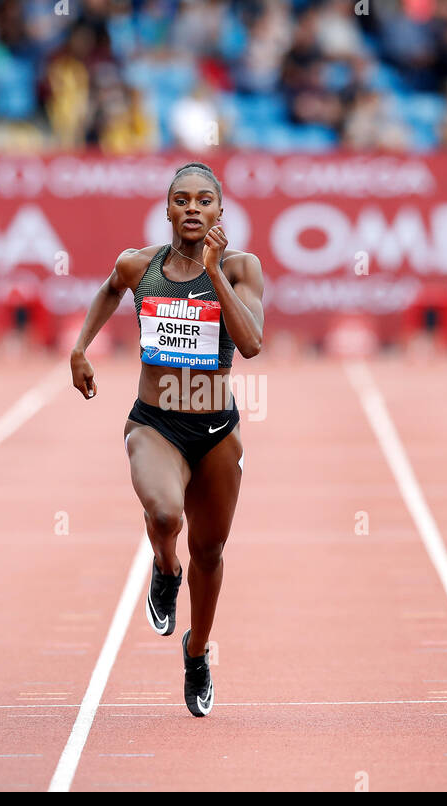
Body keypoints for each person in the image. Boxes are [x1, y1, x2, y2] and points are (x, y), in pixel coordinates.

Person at [70, 161, 265, 716]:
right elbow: (109, 291)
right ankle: (164, 567)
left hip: (215, 429)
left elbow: (250, 344)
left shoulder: (242, 267)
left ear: (220, 213)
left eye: (205, 200)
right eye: (182, 199)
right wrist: (82, 348)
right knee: (163, 511)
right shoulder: (139, 265)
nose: (193, 208)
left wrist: (215, 274)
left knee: (210, 550)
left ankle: (197, 650)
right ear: (168, 209)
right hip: (155, 421)